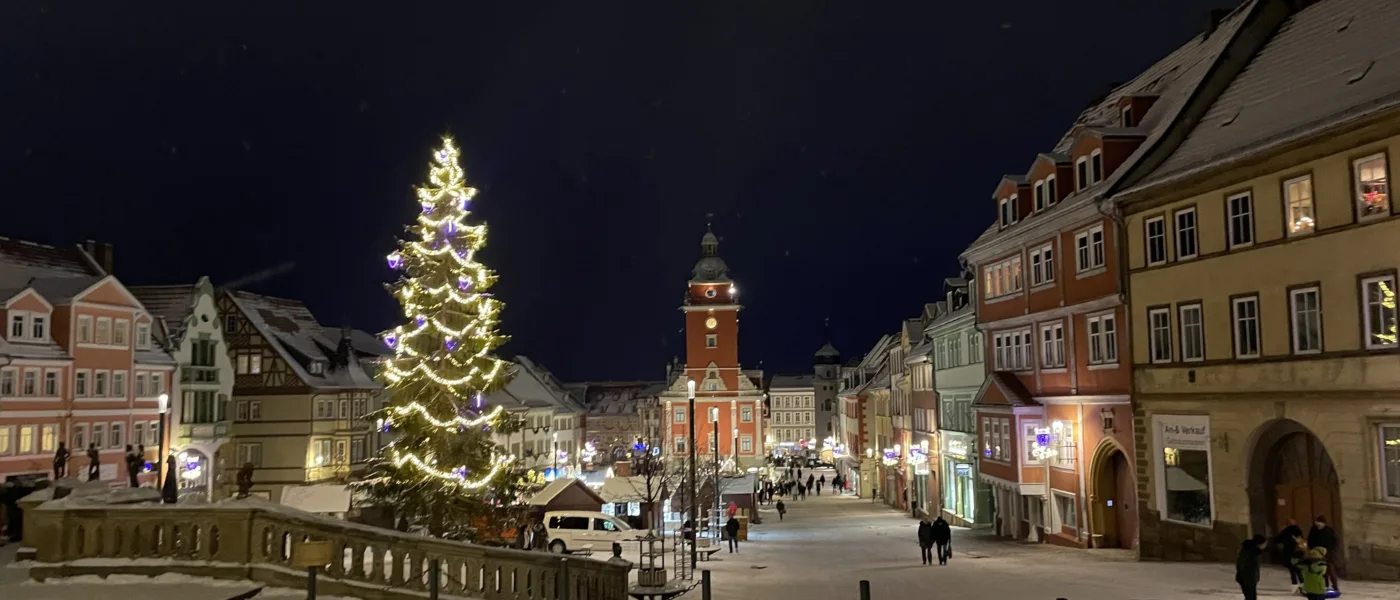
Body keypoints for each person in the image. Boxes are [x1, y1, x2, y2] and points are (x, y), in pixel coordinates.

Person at [1306, 516, 1339, 591]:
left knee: (1330, 570)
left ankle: (1335, 587)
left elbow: (1335, 542)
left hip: (1328, 553)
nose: (1318, 524)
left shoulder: (1329, 530)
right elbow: (1310, 540)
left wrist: (1331, 550)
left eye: (1319, 522)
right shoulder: (1314, 529)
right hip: (1318, 553)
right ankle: (1324, 586)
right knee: (1322, 571)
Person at [1274, 518, 1305, 592]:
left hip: (1289, 553)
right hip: (1298, 554)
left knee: (1292, 571)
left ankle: (1294, 587)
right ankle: (1303, 586)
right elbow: (1302, 541)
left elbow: (1277, 539)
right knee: (1299, 570)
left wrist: (1282, 530)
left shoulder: (1285, 532)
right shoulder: (1298, 531)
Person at [1235, 534, 1266, 600]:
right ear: (1259, 544)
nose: (1265, 545)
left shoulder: (1255, 552)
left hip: (1250, 579)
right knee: (1250, 597)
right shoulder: (1249, 551)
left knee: (1251, 597)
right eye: (1264, 543)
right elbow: (1242, 565)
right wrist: (1247, 577)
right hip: (1246, 578)